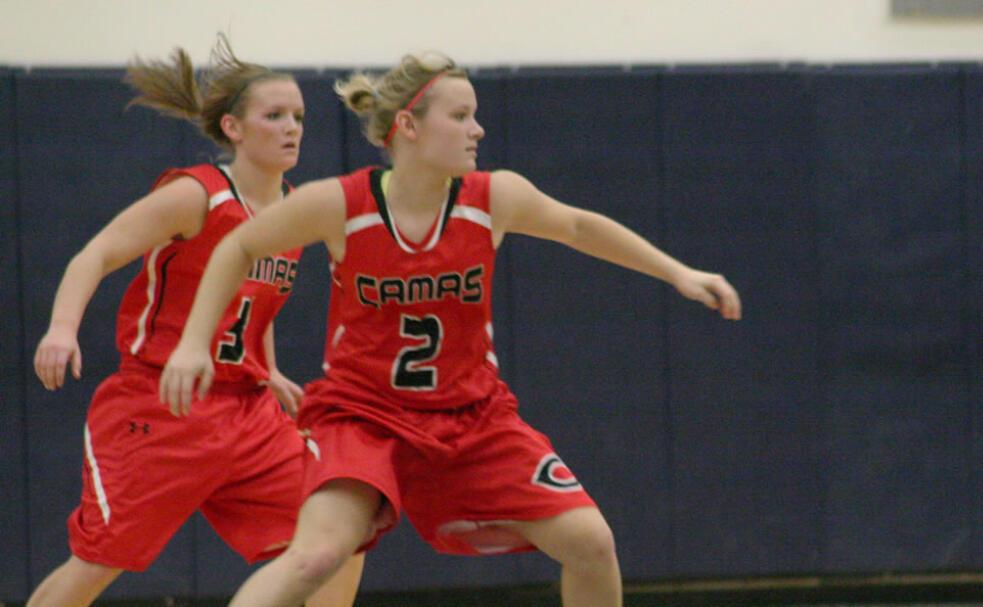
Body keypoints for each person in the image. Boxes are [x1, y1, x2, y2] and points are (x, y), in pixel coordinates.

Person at [158, 51, 741, 607]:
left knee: (591, 543)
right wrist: (191, 342)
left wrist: (677, 272)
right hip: (363, 415)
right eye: (460, 116)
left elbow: (579, 227)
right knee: (315, 556)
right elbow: (237, 245)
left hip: (472, 417)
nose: (478, 130)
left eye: (476, 115)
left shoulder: (493, 198)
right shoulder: (342, 204)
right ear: (408, 125)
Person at [25, 35, 363, 606]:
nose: (292, 128)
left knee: (336, 542)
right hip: (163, 406)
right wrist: (62, 328)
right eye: (274, 115)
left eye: (299, 117)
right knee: (97, 565)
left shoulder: (295, 207)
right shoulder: (197, 194)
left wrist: (269, 367)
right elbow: (97, 254)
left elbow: (253, 299)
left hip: (247, 411)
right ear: (233, 127)